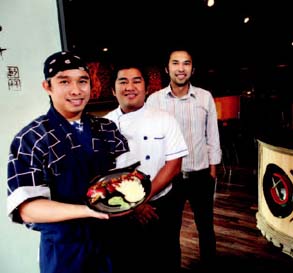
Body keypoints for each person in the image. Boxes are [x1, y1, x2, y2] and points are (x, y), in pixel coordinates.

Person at [6, 51, 129, 273]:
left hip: (111, 242)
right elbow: (27, 209)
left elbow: (122, 178)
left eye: (83, 81)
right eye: (64, 81)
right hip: (65, 251)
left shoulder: (106, 129)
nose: (76, 90)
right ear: (47, 86)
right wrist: (88, 210)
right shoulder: (32, 138)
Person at [103, 62, 188, 272]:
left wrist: (142, 199)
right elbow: (103, 174)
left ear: (147, 88)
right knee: (128, 260)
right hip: (121, 208)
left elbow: (174, 165)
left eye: (136, 81)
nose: (129, 87)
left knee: (165, 258)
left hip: (161, 203)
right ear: (113, 90)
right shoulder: (104, 126)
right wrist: (132, 205)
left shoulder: (164, 119)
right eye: (123, 82)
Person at [146, 47, 222, 270]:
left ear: (193, 68)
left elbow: (212, 135)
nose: (181, 68)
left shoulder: (204, 97)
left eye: (186, 63)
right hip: (170, 179)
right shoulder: (154, 101)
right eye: (176, 63)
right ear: (167, 68)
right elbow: (151, 142)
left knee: (206, 228)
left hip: (200, 175)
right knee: (170, 232)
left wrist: (213, 169)